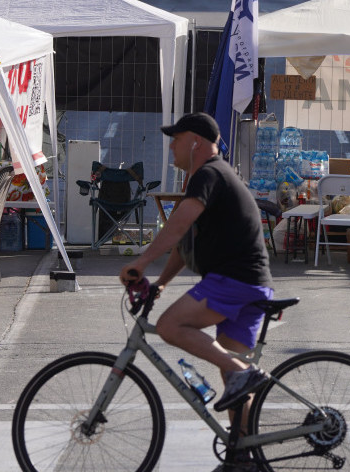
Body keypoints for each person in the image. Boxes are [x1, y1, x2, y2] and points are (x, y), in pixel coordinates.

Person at [117, 112, 273, 469]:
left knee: (172, 327)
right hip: (249, 283)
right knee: (233, 377)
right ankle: (243, 457)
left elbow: (176, 227)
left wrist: (139, 264)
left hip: (235, 281)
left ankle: (245, 375)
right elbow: (184, 243)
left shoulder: (207, 174)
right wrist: (160, 283)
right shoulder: (213, 176)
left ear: (195, 142)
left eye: (176, 138)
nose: (171, 145)